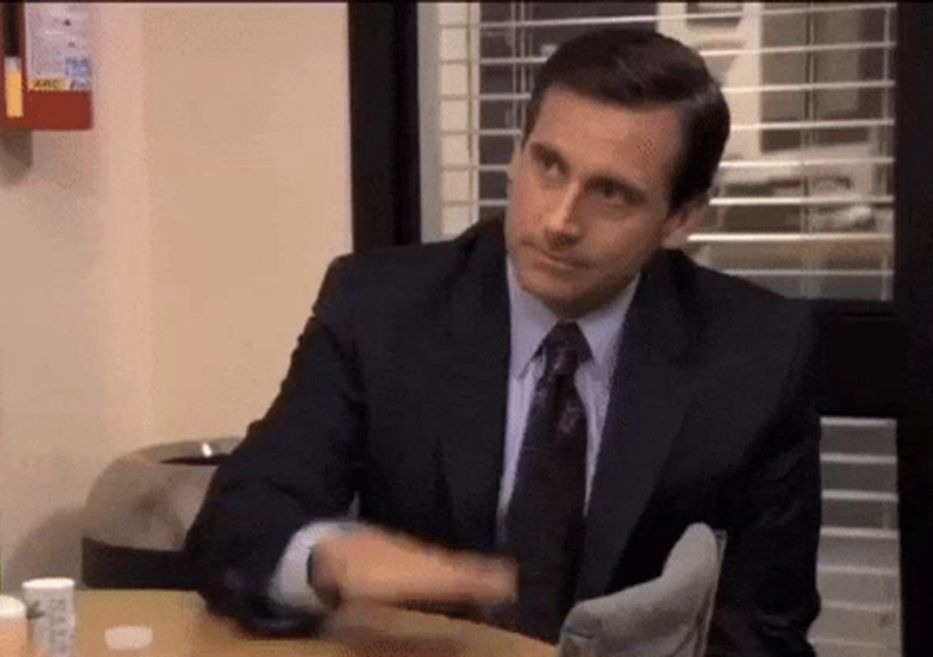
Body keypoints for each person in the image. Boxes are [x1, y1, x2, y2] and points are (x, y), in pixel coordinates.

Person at [185, 27, 822, 656]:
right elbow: (236, 525)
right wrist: (329, 560)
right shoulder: (381, 309)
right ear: (518, 155)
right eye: (549, 166)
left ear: (681, 220)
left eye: (611, 193)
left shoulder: (757, 356)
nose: (560, 221)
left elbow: (765, 628)